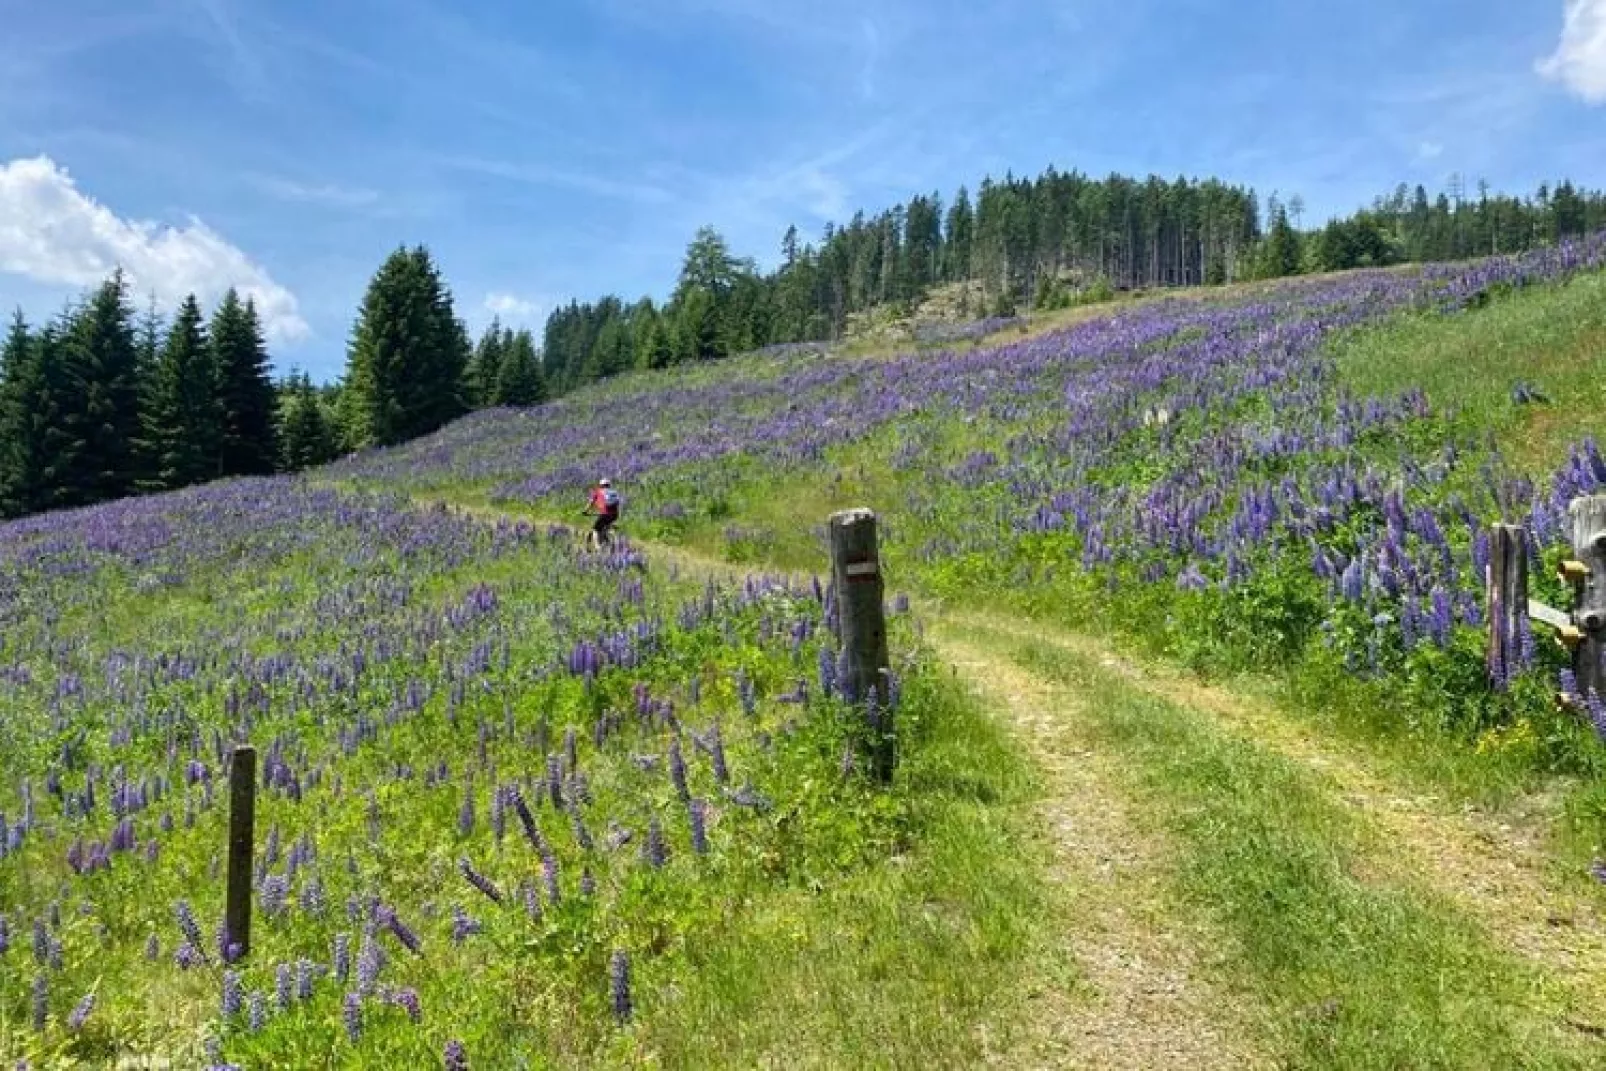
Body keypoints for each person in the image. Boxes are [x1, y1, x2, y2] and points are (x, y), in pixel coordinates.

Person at [582, 478, 621, 550]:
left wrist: (585, 511)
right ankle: (609, 542)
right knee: (605, 527)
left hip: (604, 514)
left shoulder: (598, 492)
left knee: (595, 530)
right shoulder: (614, 493)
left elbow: (591, 503)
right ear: (609, 485)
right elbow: (617, 504)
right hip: (614, 514)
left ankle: (598, 547)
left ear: (601, 485)